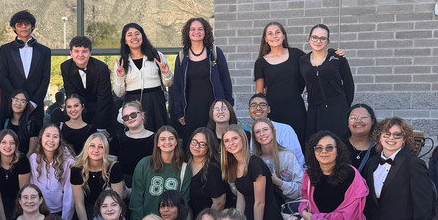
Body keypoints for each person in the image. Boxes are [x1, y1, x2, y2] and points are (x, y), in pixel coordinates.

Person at [300, 133, 370, 220]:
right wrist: (303, 211)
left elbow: (347, 217)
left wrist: (313, 219)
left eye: (329, 147)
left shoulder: (352, 176)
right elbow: (304, 199)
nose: (324, 151)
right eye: (319, 148)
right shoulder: (309, 173)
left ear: (338, 151)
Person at [173, 17, 234, 146]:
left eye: (200, 29)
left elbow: (226, 81)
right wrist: (179, 112)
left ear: (206, 32)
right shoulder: (181, 57)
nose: (197, 32)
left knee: (216, 142)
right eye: (193, 29)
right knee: (195, 143)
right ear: (187, 33)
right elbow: (177, 87)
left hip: (214, 108)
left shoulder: (216, 53)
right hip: (191, 110)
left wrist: (228, 106)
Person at [253, 21, 307, 142]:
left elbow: (316, 62)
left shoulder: (296, 54)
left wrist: (332, 53)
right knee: (276, 144)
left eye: (278, 32)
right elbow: (259, 94)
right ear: (265, 39)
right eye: (270, 34)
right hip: (273, 111)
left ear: (284, 35)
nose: (274, 36)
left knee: (299, 142)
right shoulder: (261, 63)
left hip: (296, 109)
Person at [113, 22, 172, 131]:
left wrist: (165, 73)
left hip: (155, 102)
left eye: (137, 34)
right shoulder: (120, 63)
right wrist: (120, 77)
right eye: (129, 35)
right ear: (125, 40)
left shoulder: (157, 56)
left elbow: (168, 84)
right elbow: (119, 93)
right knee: (135, 136)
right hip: (132, 103)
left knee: (158, 134)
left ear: (142, 36)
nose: (134, 37)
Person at [300, 24, 354, 140]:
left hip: (336, 109)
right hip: (314, 110)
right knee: (315, 144)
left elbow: (349, 84)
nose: (318, 41)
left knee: (339, 144)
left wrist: (344, 108)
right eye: (314, 37)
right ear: (308, 39)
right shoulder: (302, 61)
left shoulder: (337, 57)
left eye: (323, 38)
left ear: (328, 41)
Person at [130, 126, 191, 220]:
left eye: (171, 138)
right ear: (157, 143)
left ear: (176, 142)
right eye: (162, 139)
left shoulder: (184, 168)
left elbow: (184, 202)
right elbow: (136, 199)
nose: (167, 142)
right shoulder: (144, 164)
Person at [0, 10, 52, 123]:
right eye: (19, 24)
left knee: (35, 139)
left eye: (27, 24)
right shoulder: (5, 49)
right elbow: (3, 77)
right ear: (14, 28)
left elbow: (45, 79)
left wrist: (33, 103)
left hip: (35, 108)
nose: (23, 27)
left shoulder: (45, 51)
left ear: (32, 26)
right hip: (12, 107)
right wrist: (17, 101)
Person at [60, 36, 113, 132]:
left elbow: (104, 99)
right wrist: (76, 122)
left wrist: (100, 128)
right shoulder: (65, 67)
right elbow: (71, 94)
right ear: (71, 53)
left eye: (84, 51)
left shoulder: (101, 68)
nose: (80, 55)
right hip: (80, 112)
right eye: (76, 51)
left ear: (90, 53)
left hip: (102, 113)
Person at [71, 132, 125, 220]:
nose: (96, 150)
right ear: (86, 148)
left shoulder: (113, 167)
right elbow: (79, 204)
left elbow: (117, 201)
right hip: (86, 212)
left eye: (101, 147)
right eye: (92, 146)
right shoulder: (77, 169)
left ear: (106, 150)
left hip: (110, 212)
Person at [28, 124, 75, 220]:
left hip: (59, 213)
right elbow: (32, 188)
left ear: (60, 140)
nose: (51, 140)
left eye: (55, 137)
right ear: (41, 138)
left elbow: (69, 195)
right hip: (38, 212)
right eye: (47, 135)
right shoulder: (33, 159)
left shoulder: (68, 162)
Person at [246, 94, 304, 169]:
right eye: (253, 105)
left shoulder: (285, 130)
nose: (258, 108)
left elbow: (295, 162)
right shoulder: (251, 134)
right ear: (249, 111)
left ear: (269, 109)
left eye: (262, 105)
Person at [252, 118, 303, 202]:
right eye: (257, 132)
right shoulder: (253, 159)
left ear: (274, 131)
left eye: (265, 129)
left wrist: (280, 183)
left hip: (285, 207)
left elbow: (300, 190)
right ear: (254, 137)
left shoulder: (288, 156)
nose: (262, 134)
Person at [0, 128, 32, 220]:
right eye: (4, 142)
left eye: (12, 143)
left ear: (16, 145)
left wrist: (18, 217)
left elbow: (23, 192)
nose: (8, 146)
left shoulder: (22, 160)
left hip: (17, 205)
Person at [186, 128, 227, 217]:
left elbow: (220, 203)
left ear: (209, 147)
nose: (196, 146)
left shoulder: (213, 169)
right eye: (194, 142)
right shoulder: (186, 162)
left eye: (202, 144)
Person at [114, 100, 154, 188]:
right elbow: (112, 167)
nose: (130, 118)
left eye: (133, 115)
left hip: (150, 184)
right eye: (126, 117)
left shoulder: (156, 139)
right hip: (124, 186)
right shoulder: (117, 140)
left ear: (142, 115)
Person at [1, 89, 39, 155]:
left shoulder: (32, 124)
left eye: (23, 101)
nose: (18, 103)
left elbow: (31, 152)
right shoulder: (5, 122)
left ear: (26, 105)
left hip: (24, 162)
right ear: (11, 101)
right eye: (16, 100)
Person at [345, 103, 378, 172]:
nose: (358, 121)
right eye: (353, 118)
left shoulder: (381, 147)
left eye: (363, 117)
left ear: (372, 121)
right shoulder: (339, 146)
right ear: (348, 123)